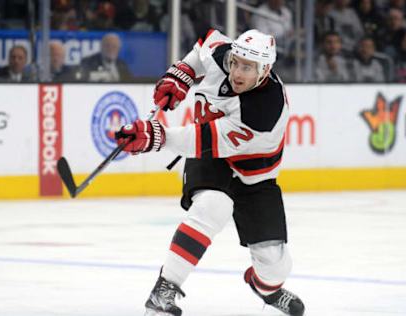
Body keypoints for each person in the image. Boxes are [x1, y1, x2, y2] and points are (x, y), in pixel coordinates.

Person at [114, 29, 305, 316]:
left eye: (248, 67)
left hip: (254, 176)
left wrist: (156, 136)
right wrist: (181, 73)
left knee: (275, 265)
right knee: (212, 207)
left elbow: (202, 138)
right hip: (212, 160)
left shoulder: (265, 110)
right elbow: (204, 45)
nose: (237, 72)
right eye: (236, 62)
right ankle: (164, 289)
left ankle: (265, 287)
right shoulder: (221, 54)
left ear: (264, 70)